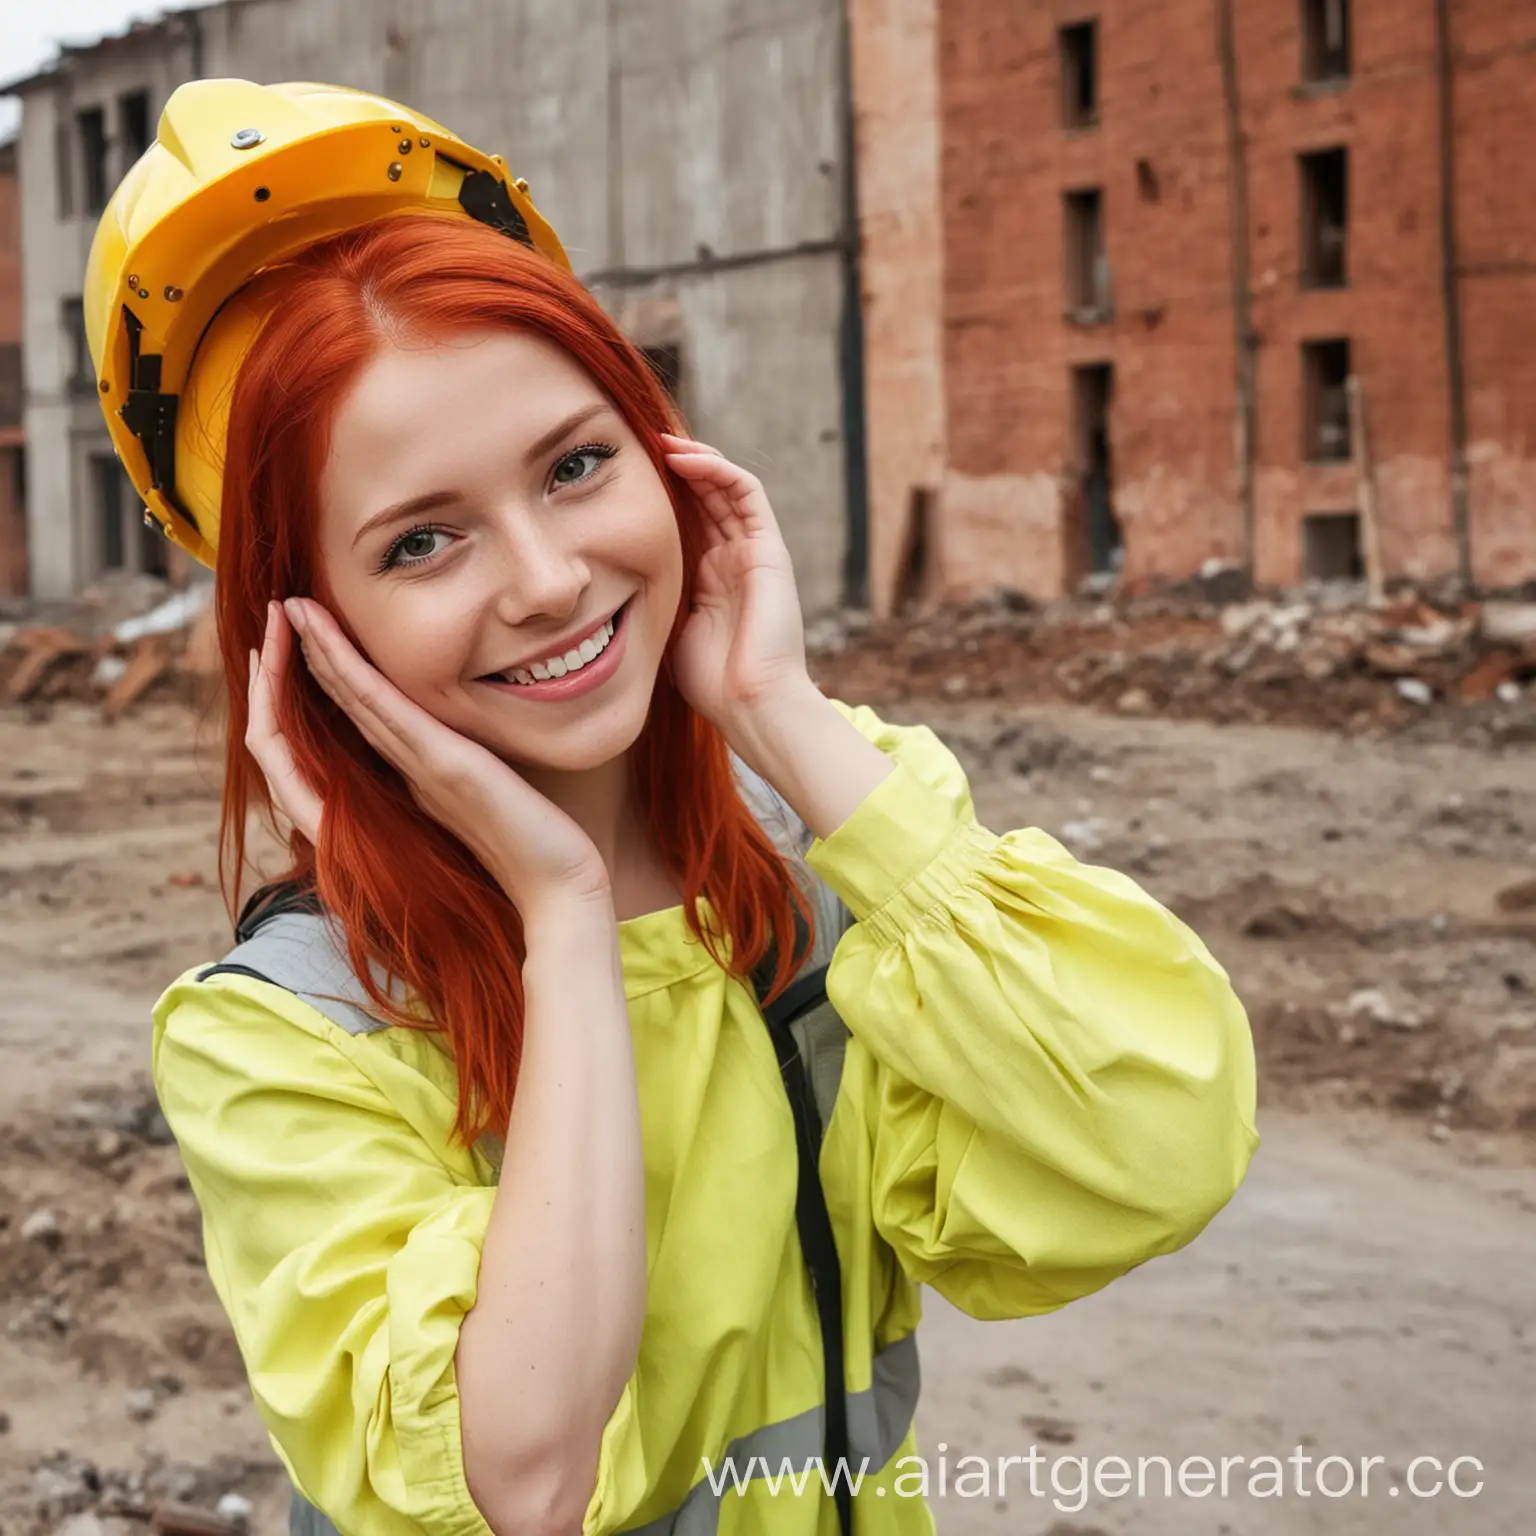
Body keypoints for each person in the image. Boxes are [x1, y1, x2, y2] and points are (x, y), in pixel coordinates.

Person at [88, 80, 1259, 1536]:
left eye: (578, 466)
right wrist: (563, 916)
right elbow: (521, 1473)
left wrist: (783, 717)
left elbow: (1158, 1152)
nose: (548, 579)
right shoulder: (289, 1032)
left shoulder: (835, 854)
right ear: (307, 630)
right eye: (424, 539)